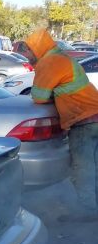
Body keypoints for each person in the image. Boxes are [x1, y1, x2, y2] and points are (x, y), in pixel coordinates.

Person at [22, 28, 98, 221]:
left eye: (28, 50)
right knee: (94, 167)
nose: (26, 54)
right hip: (93, 116)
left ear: (38, 48)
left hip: (85, 122)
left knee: (83, 170)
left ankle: (88, 212)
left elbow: (38, 97)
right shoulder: (61, 57)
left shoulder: (49, 62)